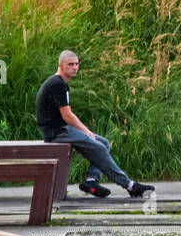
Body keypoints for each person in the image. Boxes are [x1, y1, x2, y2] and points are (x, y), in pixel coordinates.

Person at [35, 50, 154, 200]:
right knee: (98, 146)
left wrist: (87, 133)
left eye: (77, 64)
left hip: (61, 129)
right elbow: (67, 116)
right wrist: (87, 132)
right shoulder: (57, 84)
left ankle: (91, 181)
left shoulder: (60, 83)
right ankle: (130, 185)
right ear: (60, 65)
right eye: (70, 64)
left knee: (103, 142)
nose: (74, 67)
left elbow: (66, 116)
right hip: (56, 132)